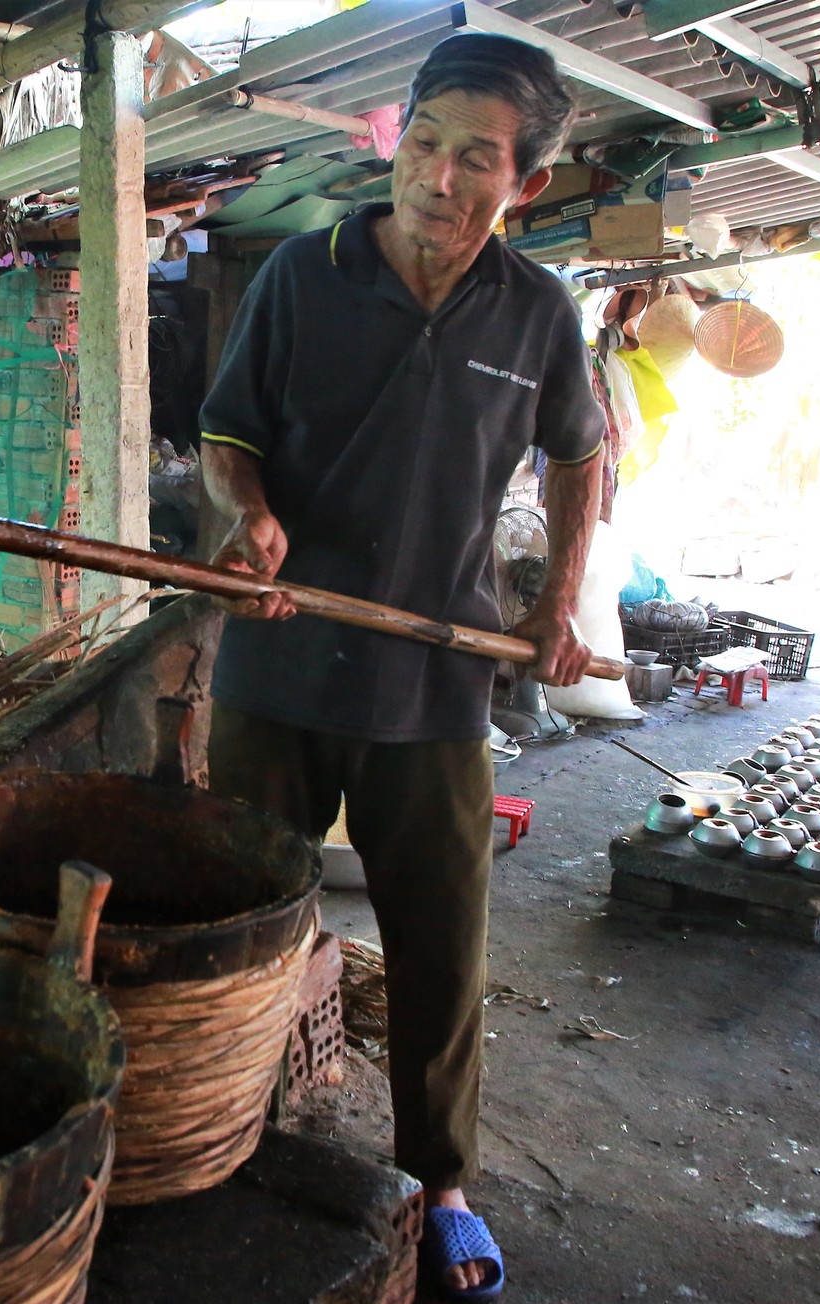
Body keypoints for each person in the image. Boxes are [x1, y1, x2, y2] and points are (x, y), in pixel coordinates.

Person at [200, 32, 604, 1302]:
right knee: (236, 919)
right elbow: (225, 432)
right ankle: (226, 1133)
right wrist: (247, 513)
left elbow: (579, 452)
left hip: (434, 677)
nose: (436, 177)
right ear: (394, 139)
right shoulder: (301, 274)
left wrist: (556, 597)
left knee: (438, 943)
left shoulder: (536, 312)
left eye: (474, 159)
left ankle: (440, 1181)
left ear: (524, 184)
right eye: (422, 143)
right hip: (277, 660)